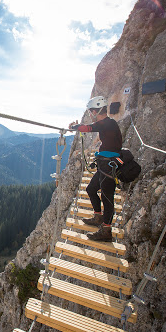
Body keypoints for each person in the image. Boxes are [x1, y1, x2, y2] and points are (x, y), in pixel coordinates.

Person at [69, 96, 122, 242]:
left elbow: (89, 128)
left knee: (107, 196)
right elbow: (93, 128)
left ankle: (106, 230)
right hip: (105, 164)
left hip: (109, 165)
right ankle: (98, 216)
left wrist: (75, 127)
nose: (91, 113)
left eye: (92, 111)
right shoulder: (108, 124)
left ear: (97, 110)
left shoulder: (107, 123)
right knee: (91, 189)